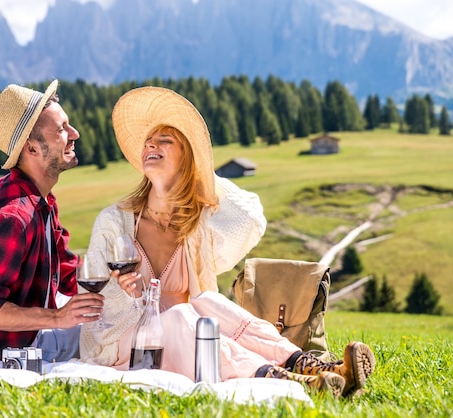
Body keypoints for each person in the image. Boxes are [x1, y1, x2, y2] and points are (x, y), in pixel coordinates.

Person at [79, 86, 375, 398]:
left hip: (189, 339)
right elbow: (94, 305)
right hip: (122, 347)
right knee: (181, 314)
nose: (151, 144)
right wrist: (122, 294)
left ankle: (314, 368)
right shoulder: (114, 221)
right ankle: (282, 380)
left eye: (165, 140)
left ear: (188, 158)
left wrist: (198, 175)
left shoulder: (195, 225)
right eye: (148, 142)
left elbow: (251, 216)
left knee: (206, 301)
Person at [0, 81, 105, 367]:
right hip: (4, 352)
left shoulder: (40, 199)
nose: (75, 134)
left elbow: (66, 269)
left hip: (29, 336)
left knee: (119, 320)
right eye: (61, 129)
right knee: (120, 334)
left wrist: (114, 280)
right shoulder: (13, 218)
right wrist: (59, 318)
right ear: (31, 148)